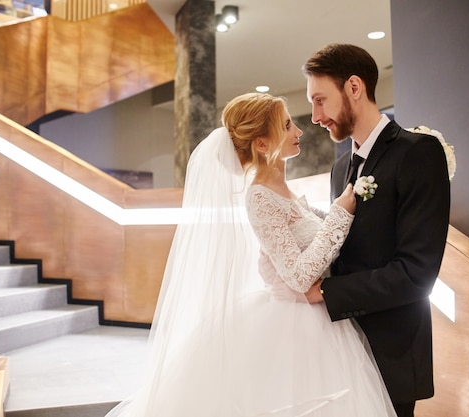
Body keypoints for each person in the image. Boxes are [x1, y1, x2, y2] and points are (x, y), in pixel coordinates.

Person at [105, 92, 397, 417]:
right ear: (261, 143)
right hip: (297, 326)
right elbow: (299, 276)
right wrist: (340, 215)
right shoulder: (259, 197)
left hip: (321, 318)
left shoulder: (284, 191)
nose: (299, 131)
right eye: (287, 125)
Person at [302, 44, 451, 417]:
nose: (315, 116)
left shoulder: (417, 152)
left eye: (321, 100)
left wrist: (327, 291)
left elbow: (417, 274)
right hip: (340, 352)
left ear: (354, 87)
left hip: (391, 354)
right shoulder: (340, 169)